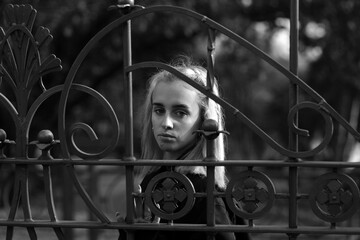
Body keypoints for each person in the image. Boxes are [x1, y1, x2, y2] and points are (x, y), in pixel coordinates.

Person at [121, 57, 250, 240]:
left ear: (205, 121)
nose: (166, 123)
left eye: (180, 113)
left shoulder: (204, 191)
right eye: (159, 110)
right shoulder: (152, 180)